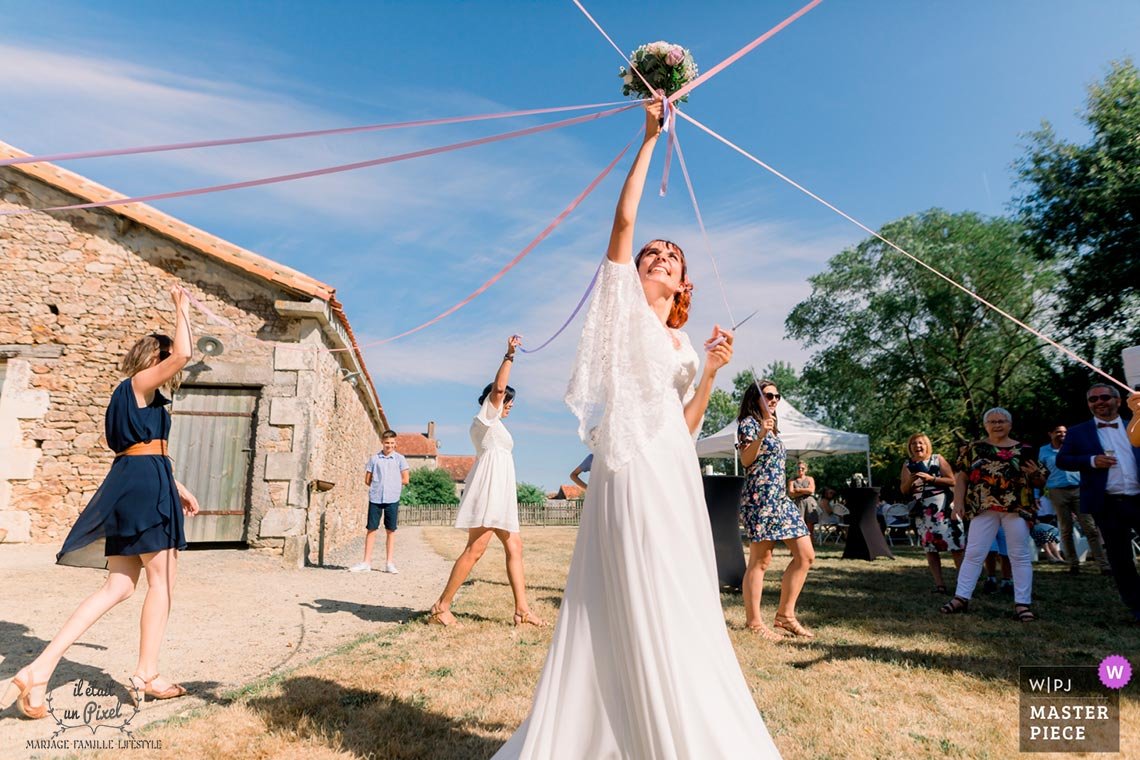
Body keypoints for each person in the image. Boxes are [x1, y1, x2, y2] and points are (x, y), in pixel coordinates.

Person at [492, 100, 781, 758]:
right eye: (653, 252)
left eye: (672, 257)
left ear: (683, 283)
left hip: (671, 465)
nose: (660, 256)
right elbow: (622, 222)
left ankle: (675, 710)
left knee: (678, 582)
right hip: (627, 460)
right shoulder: (622, 308)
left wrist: (708, 370)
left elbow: (686, 426)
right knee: (632, 577)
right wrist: (650, 138)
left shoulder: (681, 345)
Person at [1, 286, 199, 718]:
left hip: (140, 480)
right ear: (154, 358)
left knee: (119, 586)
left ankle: (39, 668)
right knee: (161, 584)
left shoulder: (135, 396)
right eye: (163, 358)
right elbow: (183, 354)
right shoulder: (137, 386)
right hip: (145, 486)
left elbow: (146, 448)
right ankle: (147, 674)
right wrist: (182, 308)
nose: (171, 366)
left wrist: (177, 483)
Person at [427, 336, 542, 628]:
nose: (510, 405)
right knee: (476, 549)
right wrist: (509, 355)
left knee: (514, 546)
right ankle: (442, 606)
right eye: (508, 401)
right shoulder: (485, 418)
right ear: (496, 399)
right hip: (488, 489)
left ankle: (522, 611)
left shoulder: (497, 425)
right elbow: (500, 388)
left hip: (500, 491)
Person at [941, 407, 1045, 622]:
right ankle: (961, 597)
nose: (997, 425)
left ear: (1010, 424)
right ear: (985, 425)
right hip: (983, 507)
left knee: (1019, 555)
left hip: (1016, 508)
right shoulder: (974, 448)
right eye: (992, 421)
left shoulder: (1025, 449)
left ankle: (1022, 604)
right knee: (974, 553)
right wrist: (957, 502)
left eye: (1002, 421)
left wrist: (1035, 474)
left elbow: (1040, 481)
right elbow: (962, 477)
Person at [738, 381, 816, 641]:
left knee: (805, 555)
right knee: (760, 561)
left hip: (780, 500)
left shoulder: (774, 429)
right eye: (768, 395)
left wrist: (767, 432)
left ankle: (785, 615)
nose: (774, 399)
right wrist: (760, 434)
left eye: (777, 396)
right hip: (760, 499)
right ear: (756, 397)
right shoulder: (749, 424)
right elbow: (746, 460)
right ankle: (754, 623)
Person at [1056, 384, 1140, 624]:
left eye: (1105, 397)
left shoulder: (1133, 425)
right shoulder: (1078, 431)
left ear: (1119, 401)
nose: (1099, 402)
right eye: (1093, 399)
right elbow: (1063, 460)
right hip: (1108, 503)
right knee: (1121, 560)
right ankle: (1137, 606)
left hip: (1138, 498)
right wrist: (1092, 461)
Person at [1037, 424, 1110, 574]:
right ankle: (1073, 564)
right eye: (1058, 432)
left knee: (1090, 527)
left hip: (1079, 489)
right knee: (1065, 529)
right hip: (1057, 491)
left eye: (1064, 432)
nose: (1062, 434)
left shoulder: (1074, 446)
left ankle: (1103, 565)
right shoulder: (1043, 451)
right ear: (1050, 433)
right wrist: (1037, 494)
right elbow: (1040, 473)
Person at [900, 433, 963, 594]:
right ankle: (939, 585)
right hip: (923, 511)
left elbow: (952, 481)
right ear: (910, 447)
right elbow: (904, 490)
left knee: (955, 546)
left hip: (943, 509)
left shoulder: (937, 459)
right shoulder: (907, 465)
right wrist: (911, 480)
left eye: (921, 443)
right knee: (930, 548)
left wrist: (931, 479)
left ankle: (963, 585)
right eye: (914, 444)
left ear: (927, 445)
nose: (917, 446)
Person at [350, 430, 410, 574]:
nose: (389, 445)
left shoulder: (400, 459)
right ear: (382, 442)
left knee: (390, 531)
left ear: (395, 443)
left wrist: (392, 483)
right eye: (386, 443)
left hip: (392, 498)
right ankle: (366, 562)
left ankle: (389, 563)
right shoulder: (374, 459)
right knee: (371, 529)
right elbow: (367, 479)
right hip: (376, 497)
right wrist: (378, 484)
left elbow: (406, 479)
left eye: (391, 443)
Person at [789, 461, 819, 541]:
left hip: (809, 504)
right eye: (798, 468)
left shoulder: (810, 479)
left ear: (806, 469)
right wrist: (805, 492)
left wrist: (798, 490)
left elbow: (811, 490)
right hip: (798, 504)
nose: (800, 470)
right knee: (798, 526)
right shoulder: (792, 480)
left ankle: (810, 546)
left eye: (802, 468)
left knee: (810, 526)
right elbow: (791, 493)